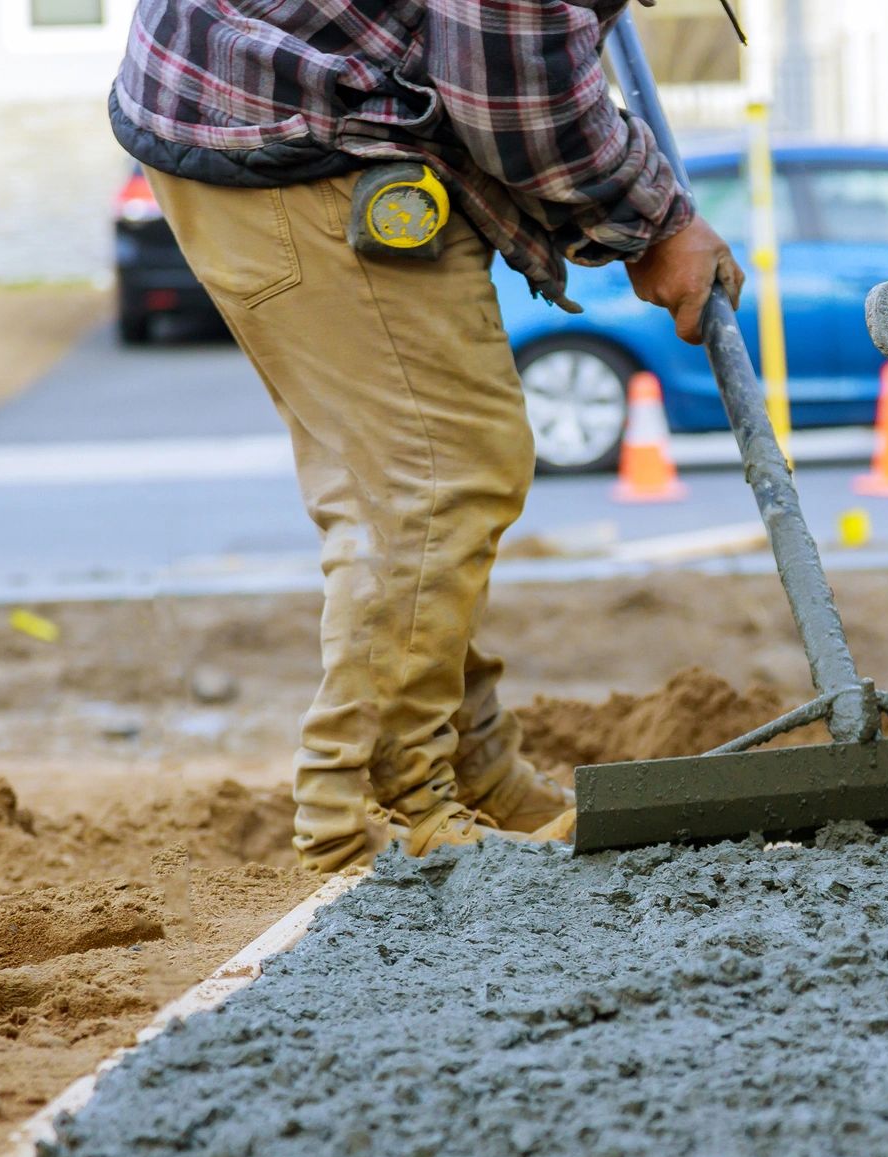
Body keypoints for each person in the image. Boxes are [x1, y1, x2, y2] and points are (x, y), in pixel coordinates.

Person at [111, 0, 744, 872]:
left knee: (415, 484)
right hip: (296, 129)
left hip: (271, 100)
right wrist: (655, 220)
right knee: (435, 482)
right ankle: (380, 812)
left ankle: (466, 769)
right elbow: (510, 90)